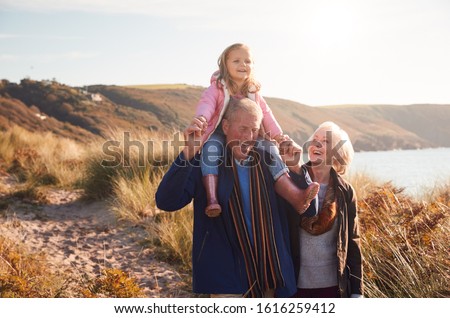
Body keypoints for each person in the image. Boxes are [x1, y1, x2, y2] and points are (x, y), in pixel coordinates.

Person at [156, 98, 303, 297]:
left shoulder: (270, 163)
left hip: (273, 281)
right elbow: (167, 201)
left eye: (254, 129)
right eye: (242, 128)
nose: (248, 136)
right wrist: (189, 151)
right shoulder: (207, 162)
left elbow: (307, 211)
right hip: (228, 282)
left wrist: (296, 170)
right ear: (225, 126)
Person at [192, 43, 319, 217]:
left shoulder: (253, 92)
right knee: (210, 150)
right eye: (236, 60)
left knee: (272, 149)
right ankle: (212, 198)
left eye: (247, 61)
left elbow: (266, 115)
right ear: (225, 64)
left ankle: (295, 195)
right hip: (219, 132)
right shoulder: (217, 88)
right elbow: (207, 104)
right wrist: (201, 119)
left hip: (250, 133)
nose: (243, 65)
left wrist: (278, 136)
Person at [281, 121, 364, 298]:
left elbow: (353, 242)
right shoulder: (290, 181)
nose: (317, 144)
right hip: (293, 286)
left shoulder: (346, 191)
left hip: (334, 287)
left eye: (326, 142)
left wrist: (357, 291)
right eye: (315, 139)